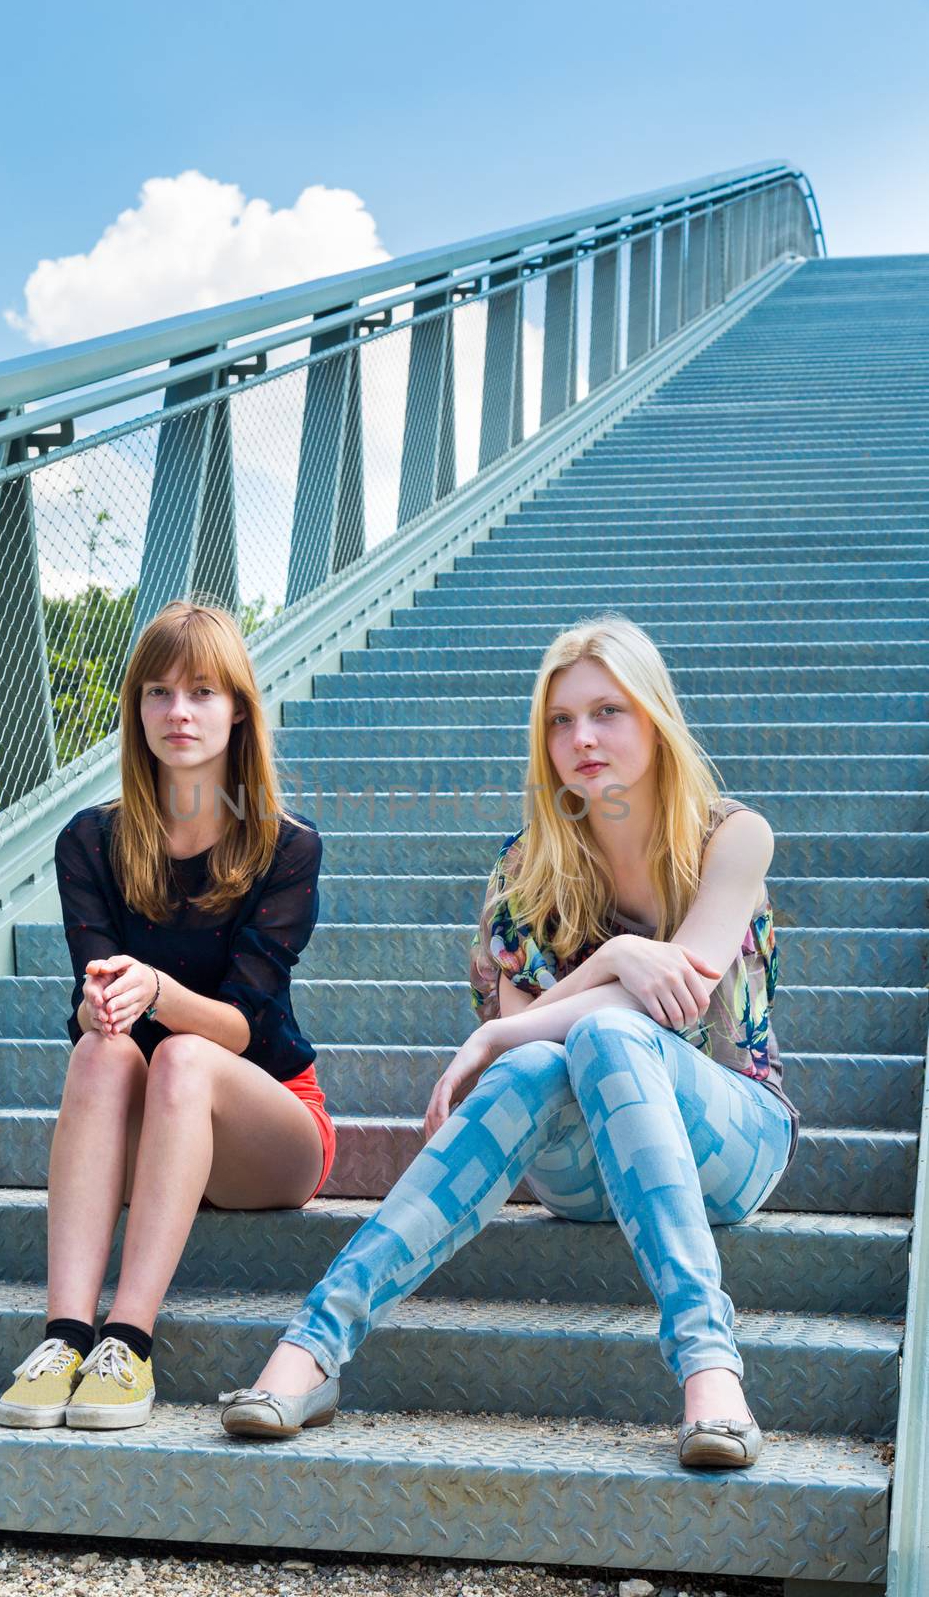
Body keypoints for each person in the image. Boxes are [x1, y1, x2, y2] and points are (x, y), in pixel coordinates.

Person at [216, 611, 799, 1470]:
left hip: (732, 1135)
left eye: (607, 712)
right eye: (560, 721)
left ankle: (708, 1365)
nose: (582, 739)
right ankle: (313, 1345)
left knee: (597, 1030)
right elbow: (531, 1048)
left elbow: (682, 996)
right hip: (583, 1169)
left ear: (653, 717)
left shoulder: (731, 836)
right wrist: (610, 968)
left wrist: (537, 1013)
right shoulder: (525, 873)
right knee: (543, 1056)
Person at [0, 599, 330, 1431]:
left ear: (239, 710)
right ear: (135, 709)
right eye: (157, 692)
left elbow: (247, 1026)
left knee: (181, 1054)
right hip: (150, 1129)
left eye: (202, 692)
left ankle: (129, 1344)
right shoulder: (90, 843)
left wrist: (158, 991)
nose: (177, 713)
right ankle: (67, 1334)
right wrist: (98, 1001)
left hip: (269, 1128)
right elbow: (95, 1006)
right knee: (101, 1054)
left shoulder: (286, 847)